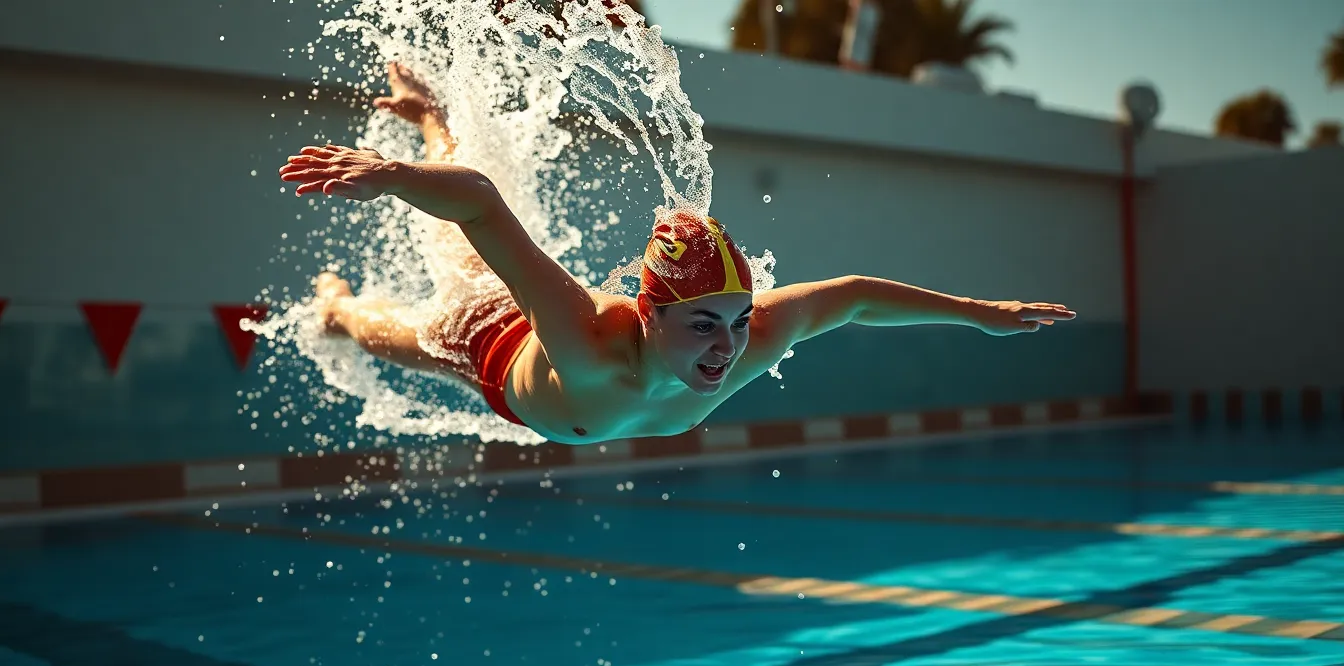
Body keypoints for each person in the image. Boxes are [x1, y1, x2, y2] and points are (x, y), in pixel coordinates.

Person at [279, 63, 1076, 445]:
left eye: (733, 317)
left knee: (463, 260)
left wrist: (978, 315)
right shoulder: (590, 340)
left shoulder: (749, 340)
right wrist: (388, 176)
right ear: (651, 314)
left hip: (560, 385)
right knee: (400, 316)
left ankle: (430, 117)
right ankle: (343, 290)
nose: (727, 344)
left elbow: (857, 294)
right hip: (492, 347)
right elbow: (482, 205)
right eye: (703, 325)